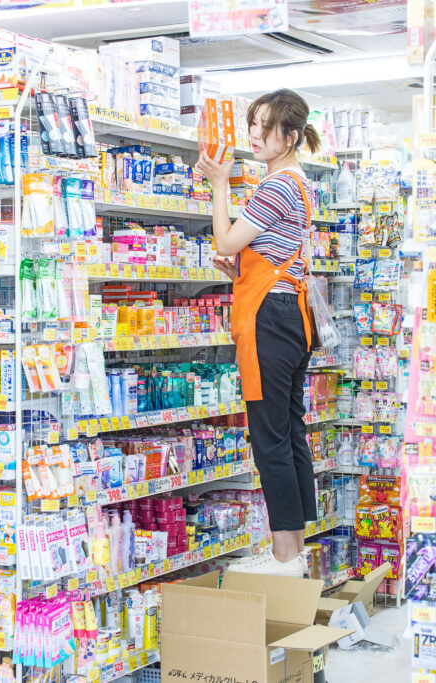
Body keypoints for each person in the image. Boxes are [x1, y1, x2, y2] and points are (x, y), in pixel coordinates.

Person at [196, 88, 321, 578]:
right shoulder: (300, 184)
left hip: (270, 320)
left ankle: (285, 559)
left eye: (264, 126)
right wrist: (240, 272)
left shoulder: (277, 186)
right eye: (253, 122)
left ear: (288, 136)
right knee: (288, 432)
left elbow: (226, 238)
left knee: (269, 438)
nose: (254, 134)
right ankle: (295, 546)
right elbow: (266, 254)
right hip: (291, 316)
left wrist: (219, 184)